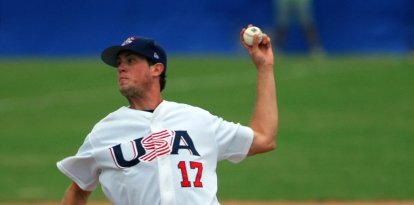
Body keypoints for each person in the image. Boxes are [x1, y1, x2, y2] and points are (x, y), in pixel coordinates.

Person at [57, 25, 278, 205]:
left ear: (156, 69)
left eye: (131, 61)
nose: (121, 68)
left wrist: (264, 67)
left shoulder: (197, 120)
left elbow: (264, 138)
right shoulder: (103, 133)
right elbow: (78, 191)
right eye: (119, 63)